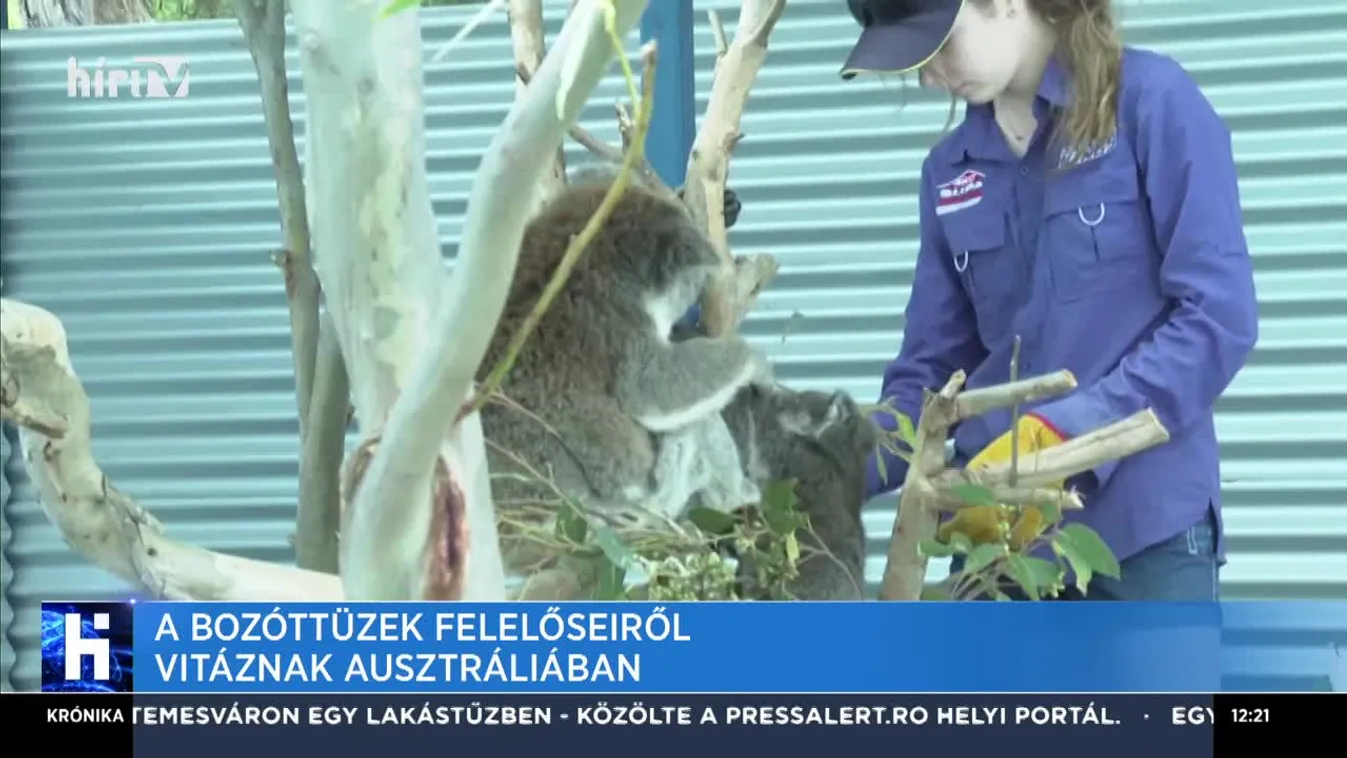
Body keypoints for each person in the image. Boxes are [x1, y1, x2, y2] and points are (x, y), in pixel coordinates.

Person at [841, 0, 1259, 601]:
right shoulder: (948, 174)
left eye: (939, 47)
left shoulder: (1153, 104)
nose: (931, 78)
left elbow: (1218, 316)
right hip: (998, 554)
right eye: (915, 64)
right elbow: (928, 381)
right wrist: (827, 469)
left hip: (1146, 539)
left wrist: (1063, 433)